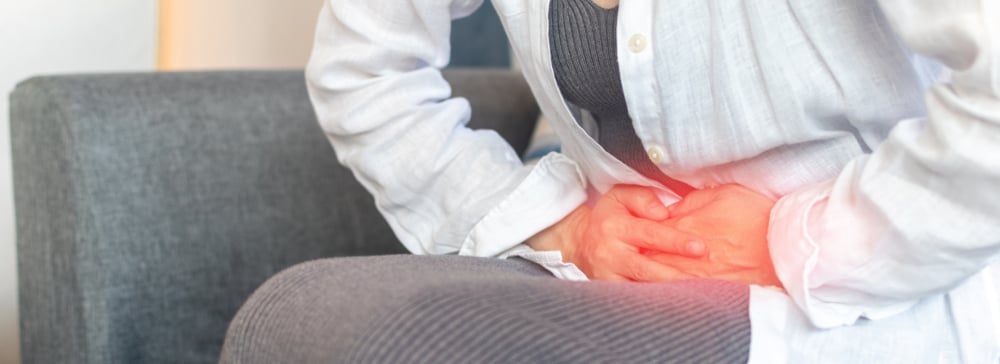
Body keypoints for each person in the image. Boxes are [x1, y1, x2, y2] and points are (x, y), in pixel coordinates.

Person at [220, 0, 1000, 363]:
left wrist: (792, 240)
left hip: (879, 307)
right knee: (290, 320)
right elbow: (362, 72)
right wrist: (556, 224)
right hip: (622, 282)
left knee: (399, 345)